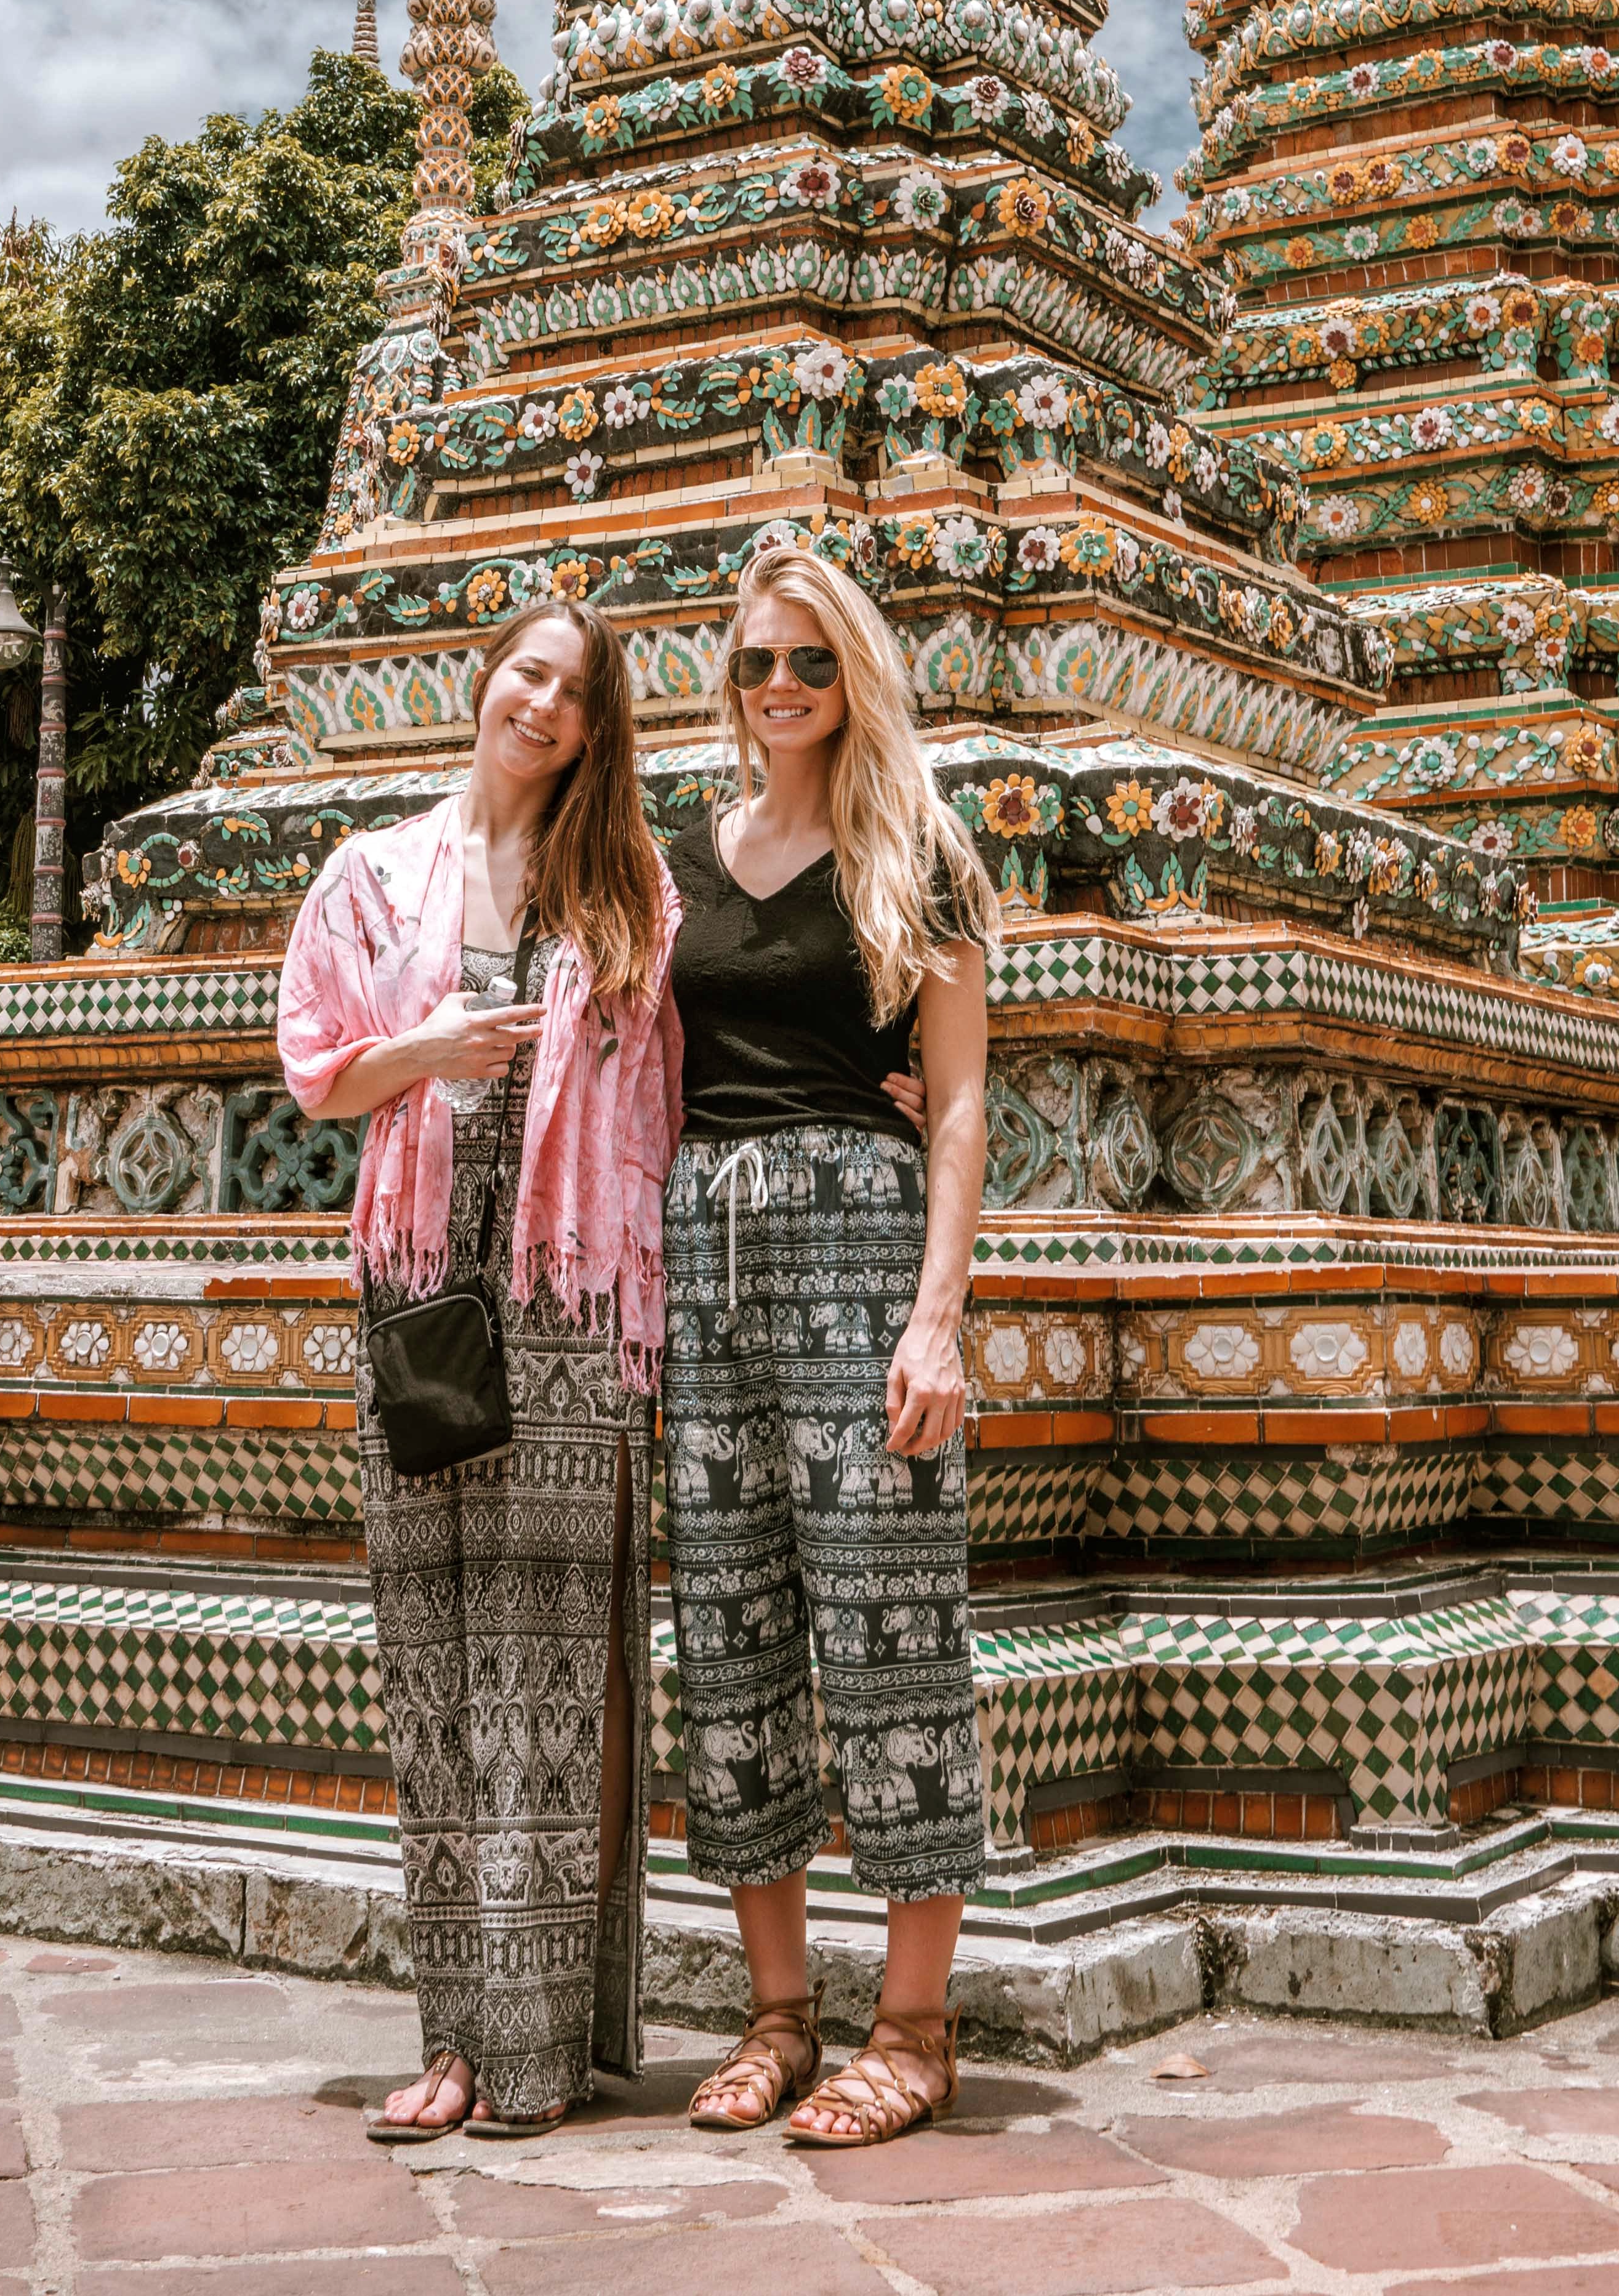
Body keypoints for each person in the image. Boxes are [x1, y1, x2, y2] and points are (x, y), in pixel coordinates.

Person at [277, 598, 681, 2142]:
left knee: (552, 1678)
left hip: (573, 1315)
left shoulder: (628, 890)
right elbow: (317, 1071)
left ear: (594, 727)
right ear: (481, 678)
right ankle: (453, 2039)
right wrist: (429, 1049)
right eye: (526, 671)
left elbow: (657, 1113)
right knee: (435, 1668)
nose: (541, 704)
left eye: (573, 694)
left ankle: (541, 2048)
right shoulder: (369, 876)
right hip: (423, 1298)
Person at [659, 540, 1000, 2151]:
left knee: (886, 1627)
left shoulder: (914, 849)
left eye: (807, 659)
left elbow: (960, 1104)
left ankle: (916, 2025)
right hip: (701, 1254)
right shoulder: (676, 860)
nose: (780, 686)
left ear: (851, 672)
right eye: (754, 663)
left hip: (861, 1252)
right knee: (727, 1633)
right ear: (725, 683)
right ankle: (776, 2013)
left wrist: (939, 1319)